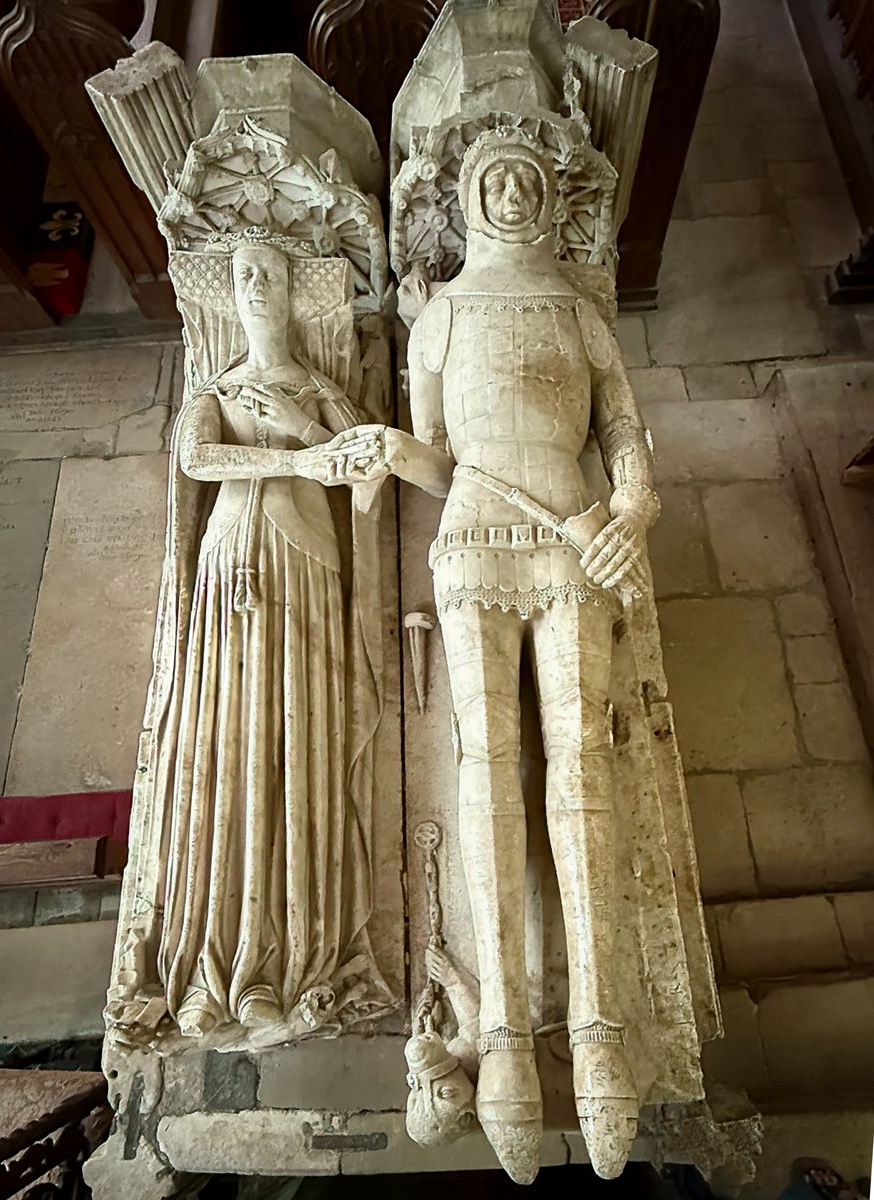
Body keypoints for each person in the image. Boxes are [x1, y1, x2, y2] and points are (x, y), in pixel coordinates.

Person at [336, 127, 660, 1182]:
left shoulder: (575, 309)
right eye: (494, 178)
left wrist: (635, 503)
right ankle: (510, 1046)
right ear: (471, 200)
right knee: (486, 773)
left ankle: (603, 1033)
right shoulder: (437, 316)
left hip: (570, 535)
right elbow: (436, 452)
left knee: (581, 771)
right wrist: (394, 450)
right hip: (474, 537)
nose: (512, 190)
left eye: (525, 177)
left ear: (543, 196)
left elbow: (621, 432)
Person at [108, 235, 394, 1048]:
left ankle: (293, 964)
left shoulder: (322, 392)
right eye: (243, 276)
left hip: (307, 564)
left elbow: (362, 467)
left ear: (295, 292)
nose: (258, 285)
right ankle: (209, 970)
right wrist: (285, 455)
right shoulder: (217, 386)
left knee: (300, 747)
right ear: (229, 297)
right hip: (232, 560)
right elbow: (194, 458)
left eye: (271, 272)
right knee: (223, 753)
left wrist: (301, 431)